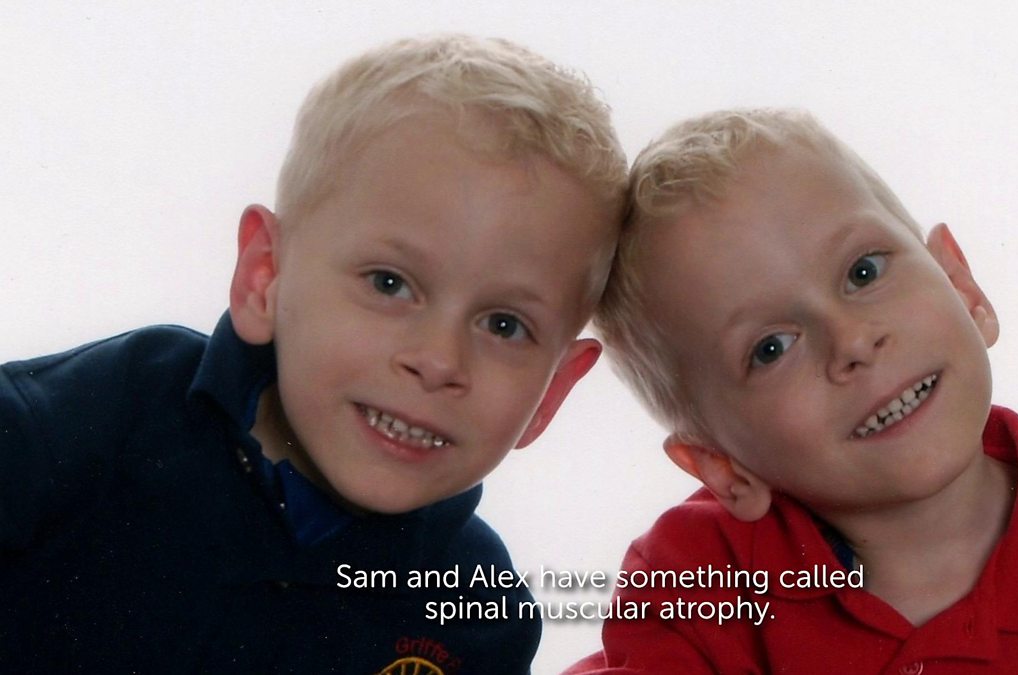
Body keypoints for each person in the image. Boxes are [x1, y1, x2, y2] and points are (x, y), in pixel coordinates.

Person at [0, 34, 626, 674]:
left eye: (504, 325)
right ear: (265, 278)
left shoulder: (481, 618)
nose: (439, 360)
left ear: (551, 394)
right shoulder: (77, 428)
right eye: (390, 283)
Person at [571, 109, 1018, 672]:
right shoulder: (697, 585)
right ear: (722, 466)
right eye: (772, 348)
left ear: (962, 286)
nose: (851, 340)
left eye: (864, 271)